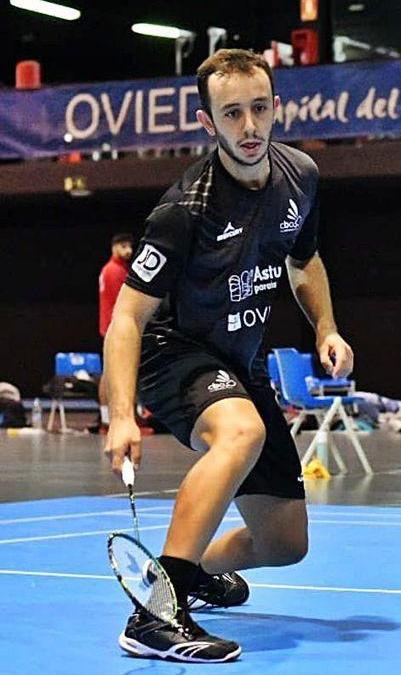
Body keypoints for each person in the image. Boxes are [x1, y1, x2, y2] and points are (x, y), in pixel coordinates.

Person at [104, 48, 353, 663]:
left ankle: (177, 575)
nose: (249, 127)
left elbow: (305, 260)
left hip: (240, 363)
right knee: (238, 432)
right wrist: (119, 414)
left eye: (259, 109)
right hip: (174, 353)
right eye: (232, 113)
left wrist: (325, 327)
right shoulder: (184, 210)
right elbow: (126, 320)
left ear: (277, 109)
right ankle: (156, 619)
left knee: (283, 541)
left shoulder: (301, 176)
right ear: (207, 121)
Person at [97, 233, 134, 430]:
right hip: (116, 328)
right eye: (123, 246)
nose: (128, 250)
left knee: (109, 373)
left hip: (110, 327)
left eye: (130, 246)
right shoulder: (114, 271)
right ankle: (108, 420)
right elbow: (124, 303)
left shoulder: (112, 269)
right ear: (114, 248)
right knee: (117, 373)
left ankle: (106, 420)